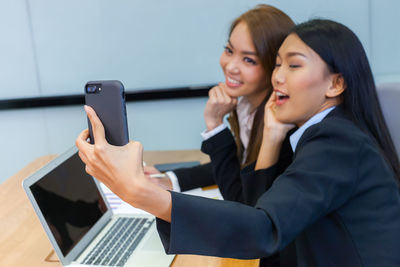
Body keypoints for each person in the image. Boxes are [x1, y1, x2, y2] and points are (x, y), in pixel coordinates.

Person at [76, 19, 400, 266]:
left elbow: (263, 227)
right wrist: (271, 136)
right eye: (277, 64)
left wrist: (145, 194)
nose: (278, 77)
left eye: (294, 65)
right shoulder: (324, 133)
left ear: (336, 83)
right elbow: (266, 214)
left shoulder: (336, 142)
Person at [145, 4, 295, 203]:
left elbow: (243, 201)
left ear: (275, 66)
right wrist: (170, 180)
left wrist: (215, 124)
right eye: (229, 50)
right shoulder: (247, 105)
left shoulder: (283, 125)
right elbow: (237, 166)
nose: (231, 66)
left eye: (249, 60)